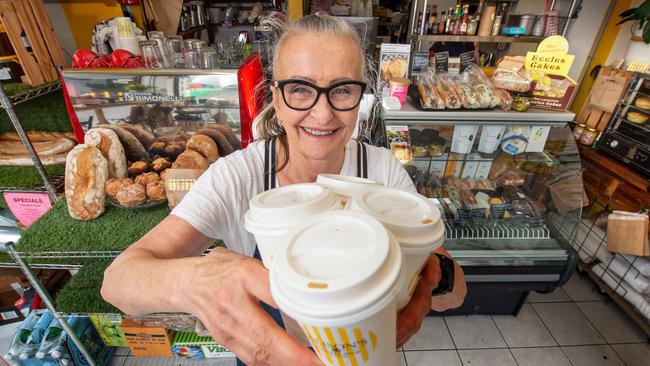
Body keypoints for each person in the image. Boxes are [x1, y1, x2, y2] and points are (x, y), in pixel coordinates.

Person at [101, 13, 466, 365]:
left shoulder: (381, 170)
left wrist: (427, 275)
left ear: (360, 99)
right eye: (301, 89)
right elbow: (117, 282)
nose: (322, 115)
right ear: (275, 96)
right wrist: (199, 281)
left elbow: (456, 293)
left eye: (341, 90)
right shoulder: (238, 176)